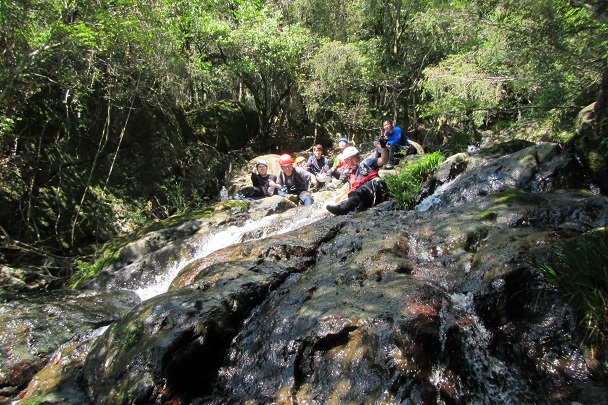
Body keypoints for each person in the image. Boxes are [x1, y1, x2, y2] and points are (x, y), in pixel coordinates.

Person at [326, 134, 389, 215]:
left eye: (353, 158)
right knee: (352, 196)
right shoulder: (352, 176)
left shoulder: (368, 162)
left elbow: (383, 160)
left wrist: (383, 147)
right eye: (348, 160)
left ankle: (344, 209)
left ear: (358, 157)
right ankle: (343, 208)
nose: (351, 162)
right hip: (365, 198)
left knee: (362, 190)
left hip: (375, 190)